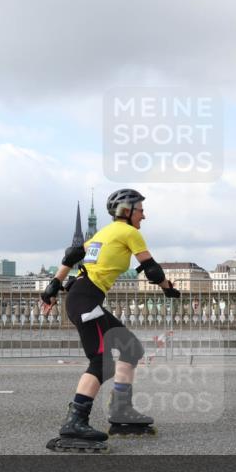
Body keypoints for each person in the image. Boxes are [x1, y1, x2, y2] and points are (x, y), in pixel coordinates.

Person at [41, 189, 180, 453]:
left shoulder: (103, 234)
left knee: (131, 349)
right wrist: (166, 287)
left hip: (84, 297)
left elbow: (72, 256)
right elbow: (151, 269)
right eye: (140, 210)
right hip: (85, 300)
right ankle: (74, 423)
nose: (144, 215)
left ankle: (121, 411)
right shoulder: (129, 233)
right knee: (101, 362)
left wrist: (53, 285)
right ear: (126, 211)